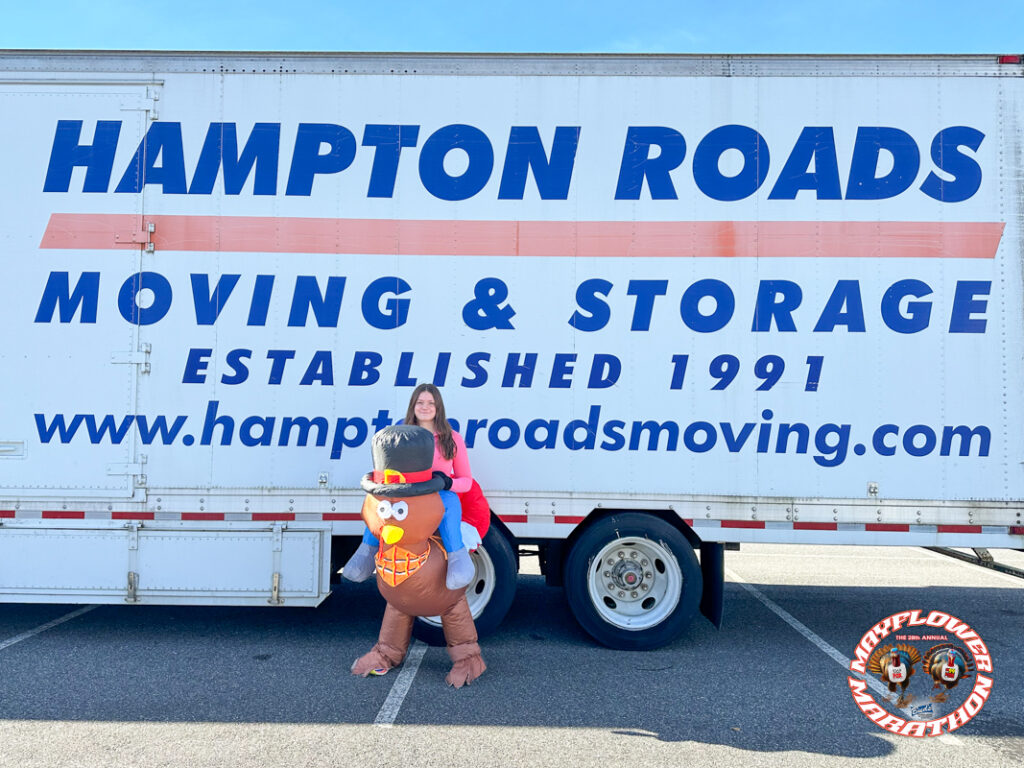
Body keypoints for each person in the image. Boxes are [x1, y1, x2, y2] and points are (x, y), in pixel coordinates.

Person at [343, 384, 476, 590]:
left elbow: (466, 481)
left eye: (431, 403)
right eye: (420, 402)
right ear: (413, 405)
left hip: (434, 495)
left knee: (451, 501)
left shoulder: (452, 438)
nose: (425, 407)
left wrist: (448, 482)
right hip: (403, 495)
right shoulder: (398, 432)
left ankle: (456, 558)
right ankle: (366, 552)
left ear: (438, 407)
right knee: (378, 502)